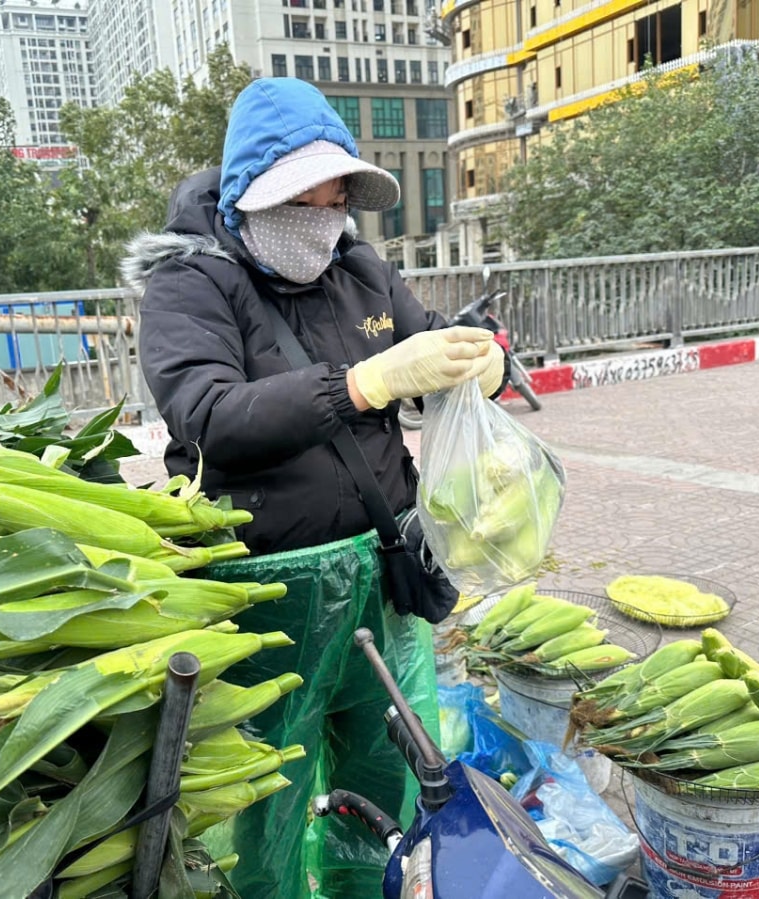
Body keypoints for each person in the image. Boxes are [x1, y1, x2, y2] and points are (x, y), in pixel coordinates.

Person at [123, 77, 505, 899]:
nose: (329, 210)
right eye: (309, 192)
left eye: (339, 192)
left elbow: (425, 348)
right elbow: (207, 415)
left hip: (381, 568)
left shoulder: (359, 266)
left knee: (385, 764)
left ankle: (368, 888)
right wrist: (359, 385)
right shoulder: (191, 285)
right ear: (253, 194)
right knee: (269, 791)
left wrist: (483, 366)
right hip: (271, 591)